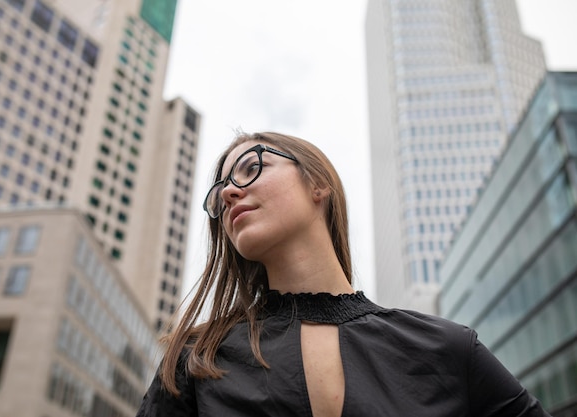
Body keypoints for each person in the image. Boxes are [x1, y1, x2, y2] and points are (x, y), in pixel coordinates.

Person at [136, 131, 550, 417]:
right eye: (220, 190)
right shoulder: (196, 358)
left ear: (318, 183)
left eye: (249, 168)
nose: (228, 192)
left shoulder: (448, 349)